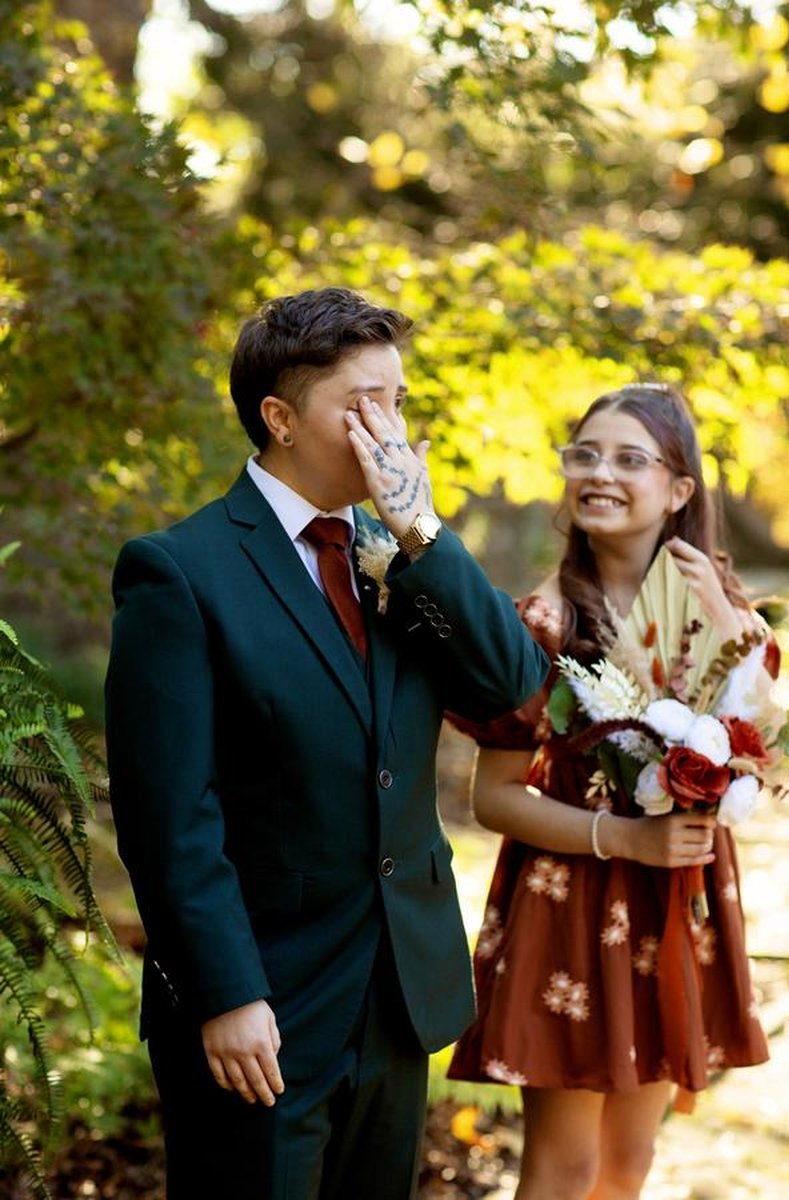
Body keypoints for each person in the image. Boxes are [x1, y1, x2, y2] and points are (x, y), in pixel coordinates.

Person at [104, 286, 549, 1200]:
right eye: (362, 404)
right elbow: (169, 815)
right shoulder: (178, 572)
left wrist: (422, 531)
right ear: (279, 418)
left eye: (399, 402)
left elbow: (509, 686)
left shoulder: (398, 558)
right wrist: (226, 994)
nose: (390, 429)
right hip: (259, 1008)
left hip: (394, 992)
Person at [448, 383, 777, 1200]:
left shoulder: (724, 613)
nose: (601, 473)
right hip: (573, 904)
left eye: (631, 459)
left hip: (677, 906)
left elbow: (766, 750)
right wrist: (625, 837)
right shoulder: (542, 624)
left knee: (628, 1167)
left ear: (679, 490)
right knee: (566, 1169)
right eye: (585, 455)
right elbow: (494, 798)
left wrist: (742, 658)